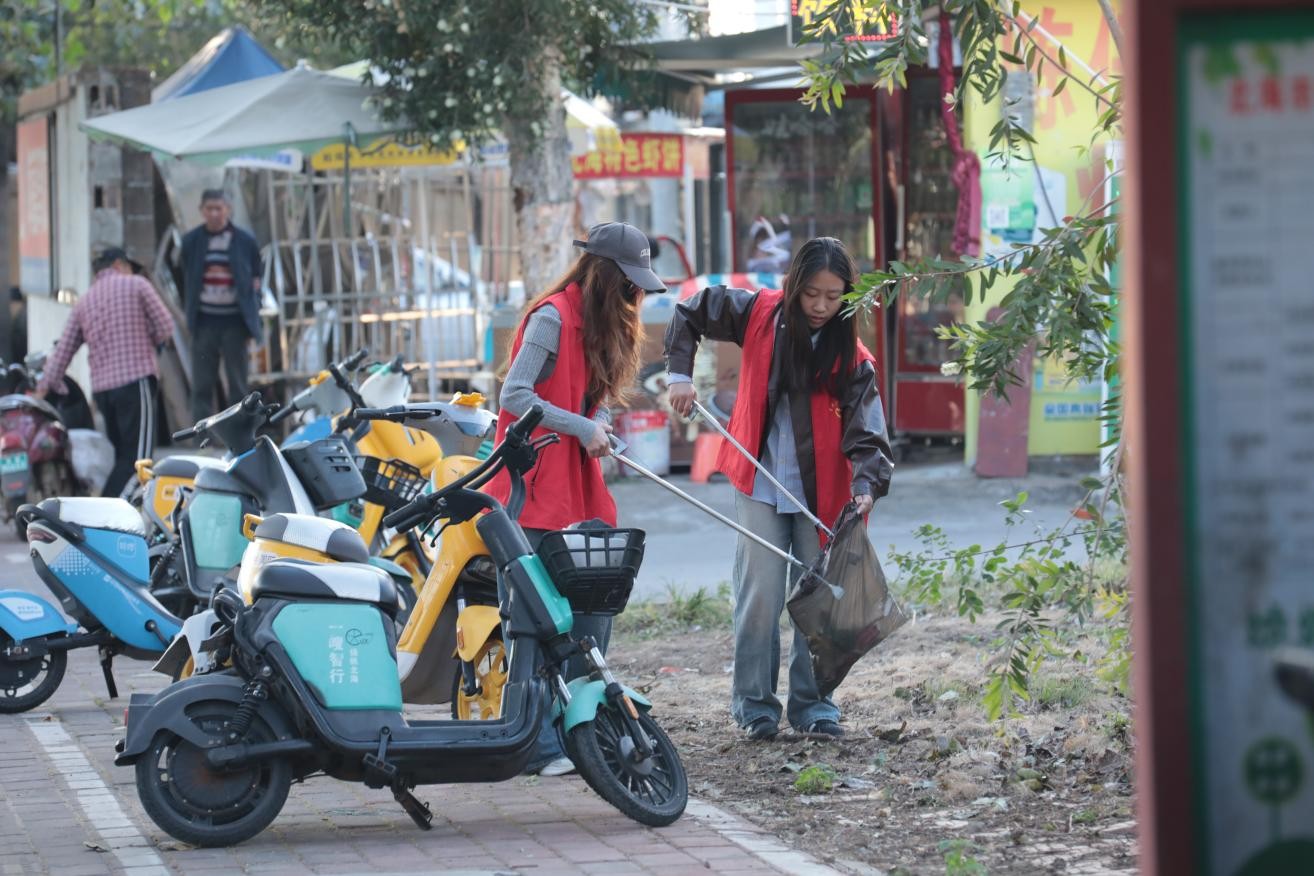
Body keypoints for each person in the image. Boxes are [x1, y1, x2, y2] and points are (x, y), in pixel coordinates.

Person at [664, 236, 893, 740]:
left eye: (833, 296)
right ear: (793, 286)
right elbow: (690, 311)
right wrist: (679, 374)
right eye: (811, 293)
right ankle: (754, 707)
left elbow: (868, 430)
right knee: (760, 597)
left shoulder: (854, 356)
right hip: (761, 480)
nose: (820, 306)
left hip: (824, 491)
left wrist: (867, 483)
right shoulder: (756, 312)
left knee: (820, 600)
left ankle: (814, 705)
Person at [487, 220, 664, 776]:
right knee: (535, 621)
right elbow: (514, 394)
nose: (634, 294)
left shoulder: (605, 323)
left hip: (580, 489)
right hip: (532, 486)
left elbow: (597, 396)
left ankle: (579, 735)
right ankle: (537, 746)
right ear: (602, 274)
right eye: (628, 283)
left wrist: (598, 420)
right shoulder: (551, 317)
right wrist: (579, 427)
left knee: (593, 609)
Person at [35, 248, 175, 498]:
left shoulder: (84, 302)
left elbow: (63, 351)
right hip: (135, 382)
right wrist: (148, 341)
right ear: (119, 264)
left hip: (103, 392)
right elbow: (165, 326)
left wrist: (43, 389)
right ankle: (110, 507)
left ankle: (120, 506)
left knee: (123, 456)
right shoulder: (137, 284)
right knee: (139, 460)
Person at [180, 189, 262, 423]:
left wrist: (253, 317)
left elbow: (256, 279)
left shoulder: (245, 241)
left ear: (228, 210)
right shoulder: (192, 241)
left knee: (238, 384)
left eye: (219, 208)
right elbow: (187, 274)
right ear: (202, 211)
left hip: (235, 323)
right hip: (204, 322)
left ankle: (239, 433)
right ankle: (202, 436)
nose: (215, 214)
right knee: (202, 385)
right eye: (210, 209)